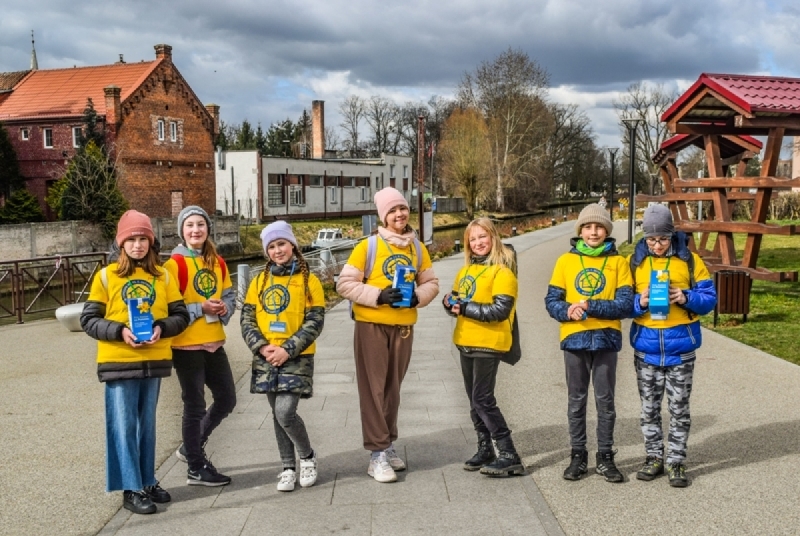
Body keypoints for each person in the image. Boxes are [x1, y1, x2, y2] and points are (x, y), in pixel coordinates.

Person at [81, 210, 189, 514]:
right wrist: (120, 332)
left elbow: (180, 316)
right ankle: (130, 488)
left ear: (151, 243)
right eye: (132, 239)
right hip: (119, 360)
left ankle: (147, 479)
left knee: (148, 427)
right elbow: (89, 320)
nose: (138, 245)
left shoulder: (163, 275)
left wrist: (160, 328)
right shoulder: (106, 276)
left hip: (152, 360)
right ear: (121, 243)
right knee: (123, 426)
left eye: (143, 239)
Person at [336, 187, 439, 483]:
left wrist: (418, 297)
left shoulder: (417, 248)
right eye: (392, 211)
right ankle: (376, 453)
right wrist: (379, 295)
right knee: (374, 388)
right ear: (383, 216)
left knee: (393, 388)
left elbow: (431, 282)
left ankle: (388, 442)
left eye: (402, 209)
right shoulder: (367, 247)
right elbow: (344, 284)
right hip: (372, 326)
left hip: (404, 327)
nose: (399, 215)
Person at [627, 204, 716, 488]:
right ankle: (654, 457)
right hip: (646, 349)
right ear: (644, 238)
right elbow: (622, 303)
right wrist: (637, 303)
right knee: (649, 409)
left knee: (679, 409)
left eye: (663, 239)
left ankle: (676, 461)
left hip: (680, 350)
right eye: (651, 239)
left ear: (671, 234)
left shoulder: (690, 261)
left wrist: (686, 296)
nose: (657, 245)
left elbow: (709, 299)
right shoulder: (634, 263)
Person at [544, 203, 633, 483]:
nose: (593, 232)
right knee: (576, 400)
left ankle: (605, 455)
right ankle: (578, 454)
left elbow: (625, 304)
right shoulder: (565, 262)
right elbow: (552, 300)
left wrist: (590, 305)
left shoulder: (619, 263)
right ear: (580, 230)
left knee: (605, 400)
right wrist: (566, 311)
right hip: (574, 338)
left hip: (606, 339)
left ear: (607, 230)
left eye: (599, 227)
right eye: (588, 227)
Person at [240, 221, 325, 492]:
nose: (278, 250)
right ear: (267, 251)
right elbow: (247, 318)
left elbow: (315, 321)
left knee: (285, 411)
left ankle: (307, 457)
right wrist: (263, 347)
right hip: (266, 356)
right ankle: (288, 467)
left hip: (296, 356)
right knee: (276, 414)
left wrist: (287, 349)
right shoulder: (259, 281)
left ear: (293, 246)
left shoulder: (308, 280)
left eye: (282, 244)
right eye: (272, 246)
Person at [442, 218, 523, 477]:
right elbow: (457, 302)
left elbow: (500, 310)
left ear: (493, 238)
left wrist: (464, 307)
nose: (477, 243)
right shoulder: (465, 271)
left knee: (482, 399)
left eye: (482, 237)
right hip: (466, 340)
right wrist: (449, 303)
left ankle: (509, 453)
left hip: (489, 343)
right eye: (472, 239)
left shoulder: (503, 272)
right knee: (473, 401)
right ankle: (485, 447)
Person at [164, 206, 236, 487]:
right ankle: (195, 465)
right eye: (190, 225)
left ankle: (190, 447)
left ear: (208, 229)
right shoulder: (174, 265)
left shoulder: (217, 262)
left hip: (214, 342)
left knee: (227, 399)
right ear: (182, 231)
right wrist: (200, 307)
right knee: (194, 406)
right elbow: (171, 308)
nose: (196, 230)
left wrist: (223, 308)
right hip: (186, 346)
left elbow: (229, 294)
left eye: (201, 225)